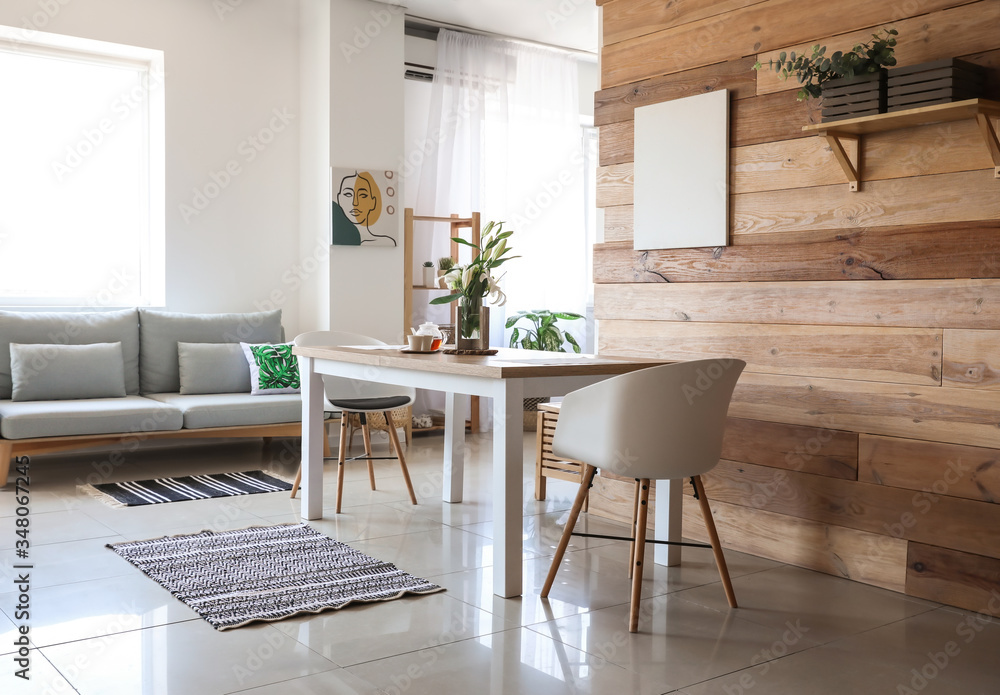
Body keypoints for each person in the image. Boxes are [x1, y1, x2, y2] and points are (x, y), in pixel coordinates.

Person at [331, 171, 396, 245]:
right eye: (348, 194)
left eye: (363, 195)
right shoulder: (334, 240)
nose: (355, 202)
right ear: (339, 199)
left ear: (373, 202)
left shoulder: (386, 242)